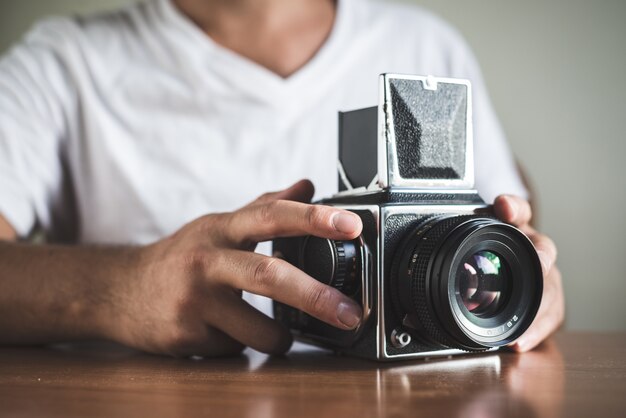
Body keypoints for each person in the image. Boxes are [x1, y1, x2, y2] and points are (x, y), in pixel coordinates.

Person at [0, 0, 563, 356]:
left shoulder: (428, 43)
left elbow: (501, 254)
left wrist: (530, 285)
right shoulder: (64, 62)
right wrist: (127, 287)